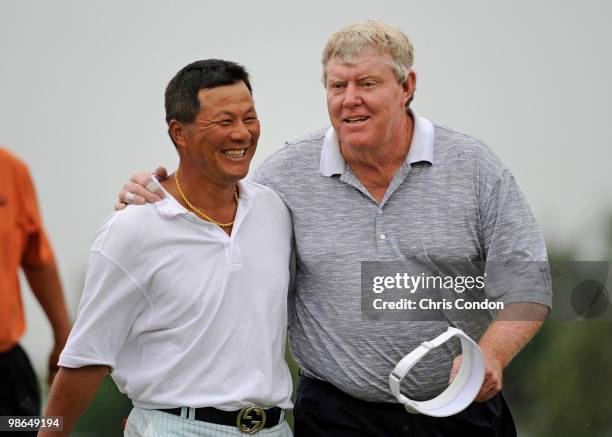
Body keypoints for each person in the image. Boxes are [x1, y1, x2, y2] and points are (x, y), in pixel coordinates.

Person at [118, 21, 551, 436]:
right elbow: (211, 229)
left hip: (462, 410)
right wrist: (151, 197)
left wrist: (493, 353)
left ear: (407, 87)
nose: (350, 99)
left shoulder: (474, 166)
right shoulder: (283, 177)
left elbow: (529, 280)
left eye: (367, 84)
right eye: (337, 85)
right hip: (336, 414)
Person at [42, 59, 294, 437]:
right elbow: (87, 360)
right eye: (225, 122)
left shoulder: (274, 210)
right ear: (179, 132)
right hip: (176, 428)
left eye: (250, 118)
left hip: (275, 429)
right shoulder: (133, 229)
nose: (242, 134)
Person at [0, 147, 71, 435]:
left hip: (6, 369)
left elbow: (37, 259)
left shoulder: (10, 170)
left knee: (36, 427)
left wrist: (64, 339)